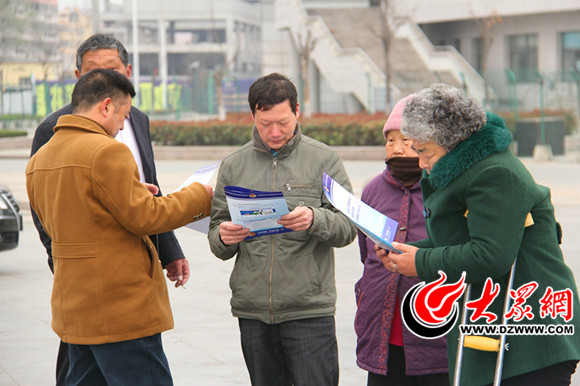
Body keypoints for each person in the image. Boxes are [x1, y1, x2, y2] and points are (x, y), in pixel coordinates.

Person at [377, 83, 580, 385]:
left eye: (424, 151)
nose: (420, 162)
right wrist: (406, 252)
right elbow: (457, 239)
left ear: (449, 141)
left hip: (530, 333)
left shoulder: (494, 173)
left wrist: (421, 263)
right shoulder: (464, 168)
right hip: (494, 322)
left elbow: (490, 255)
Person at [26, 68, 213, 385]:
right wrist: (200, 196)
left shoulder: (40, 159)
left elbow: (72, 217)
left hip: (74, 309)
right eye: (123, 116)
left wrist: (134, 194)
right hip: (120, 309)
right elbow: (146, 218)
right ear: (107, 106)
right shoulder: (107, 151)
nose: (121, 127)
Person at [207, 72, 357, 386]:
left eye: (283, 123)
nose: (274, 132)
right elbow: (216, 233)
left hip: (308, 309)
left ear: (297, 112)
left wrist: (315, 219)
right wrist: (223, 236)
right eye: (265, 124)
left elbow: (347, 227)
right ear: (252, 116)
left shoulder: (324, 160)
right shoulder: (234, 165)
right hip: (253, 310)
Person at [355, 95, 449, 385]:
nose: (396, 149)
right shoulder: (373, 190)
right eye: (390, 140)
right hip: (382, 335)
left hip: (435, 334)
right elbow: (365, 253)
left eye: (406, 140)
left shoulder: (446, 189)